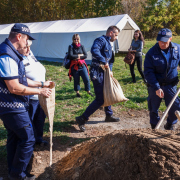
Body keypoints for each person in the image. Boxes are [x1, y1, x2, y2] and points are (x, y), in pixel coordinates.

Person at [0, 23, 53, 180]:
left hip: (10, 105)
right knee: (28, 138)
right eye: (26, 39)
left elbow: (21, 79)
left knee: (15, 137)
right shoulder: (6, 55)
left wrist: (41, 84)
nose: (27, 43)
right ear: (18, 37)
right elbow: (14, 87)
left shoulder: (10, 53)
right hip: (12, 106)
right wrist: (40, 91)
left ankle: (12, 172)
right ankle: (18, 175)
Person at [75, 26, 120, 132]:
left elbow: (111, 60)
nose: (117, 38)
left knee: (107, 91)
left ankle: (109, 115)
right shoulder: (100, 40)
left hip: (104, 73)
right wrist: (104, 62)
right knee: (100, 99)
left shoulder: (109, 43)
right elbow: (94, 50)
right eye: (116, 35)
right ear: (111, 33)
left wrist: (110, 70)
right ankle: (82, 118)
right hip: (97, 73)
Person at [144, 28, 180, 130]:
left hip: (170, 85)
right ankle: (155, 127)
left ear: (170, 39)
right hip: (155, 85)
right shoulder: (151, 53)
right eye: (160, 41)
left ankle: (169, 124)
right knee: (153, 109)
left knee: (175, 108)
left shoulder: (177, 49)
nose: (162, 43)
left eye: (164, 41)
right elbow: (148, 72)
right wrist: (156, 87)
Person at [17, 40, 48, 147]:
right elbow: (21, 80)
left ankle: (38, 138)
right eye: (26, 47)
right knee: (30, 120)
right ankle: (30, 142)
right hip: (29, 95)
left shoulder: (29, 54)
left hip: (40, 93)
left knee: (40, 118)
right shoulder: (17, 58)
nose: (29, 49)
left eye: (30, 47)